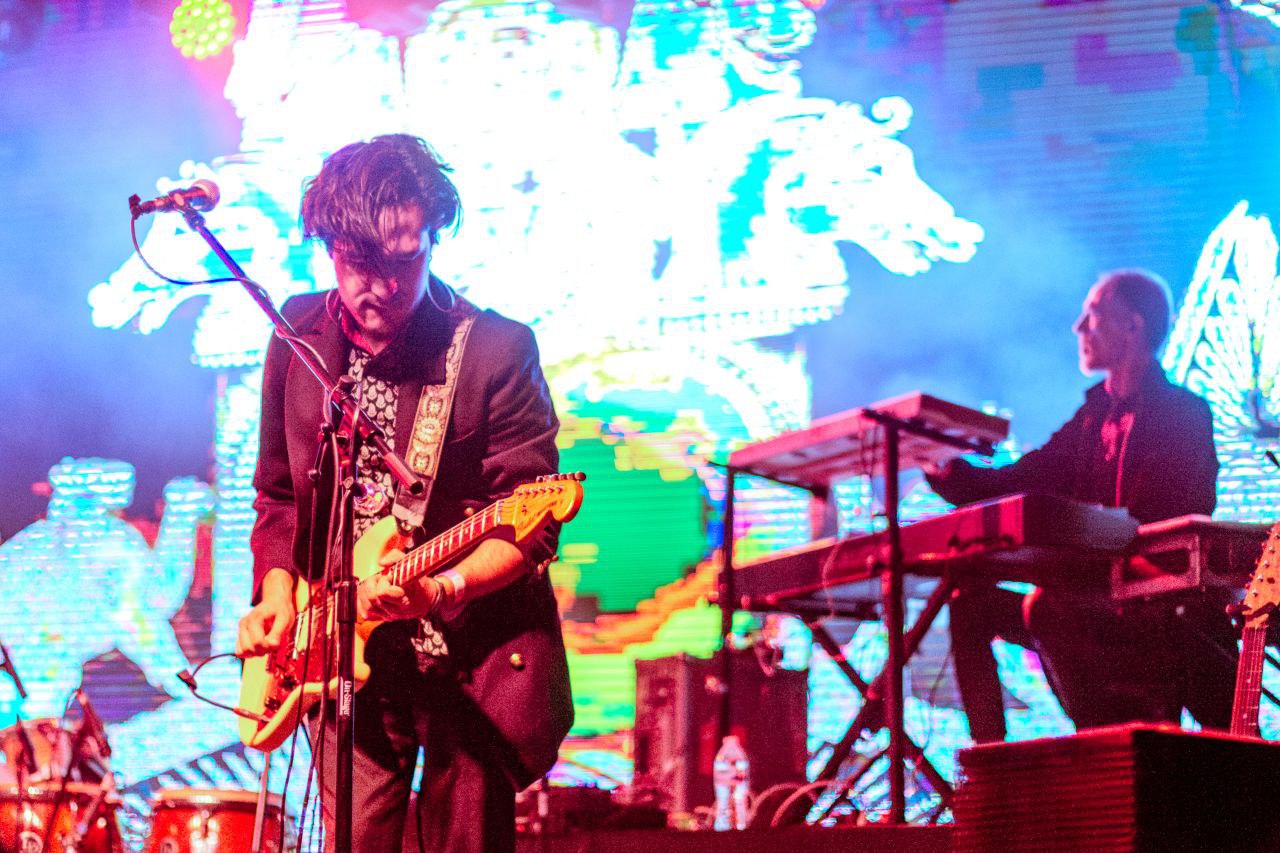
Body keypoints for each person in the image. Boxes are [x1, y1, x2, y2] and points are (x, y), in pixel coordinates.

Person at [235, 134, 573, 852]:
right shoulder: (297, 336)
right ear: (329, 247)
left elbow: (530, 524)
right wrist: (277, 593)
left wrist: (443, 586)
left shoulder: (495, 350)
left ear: (433, 238)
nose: (384, 287)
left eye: (404, 261)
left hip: (471, 659)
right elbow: (278, 495)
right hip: (344, 658)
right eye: (362, 265)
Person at [927, 269, 1231, 741]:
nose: (1079, 327)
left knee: (1048, 606)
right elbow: (1021, 479)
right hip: (1097, 601)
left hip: (1158, 608)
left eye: (1093, 315)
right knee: (974, 604)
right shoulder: (1091, 419)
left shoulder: (1182, 413)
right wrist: (947, 472)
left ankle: (1101, 746)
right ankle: (991, 763)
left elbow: (1177, 514)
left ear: (1131, 326)